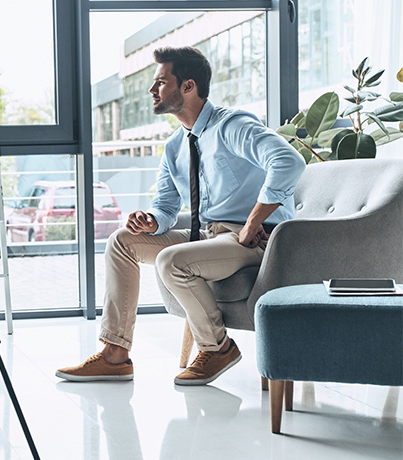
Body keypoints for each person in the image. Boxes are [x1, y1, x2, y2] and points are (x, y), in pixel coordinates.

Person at [56, 47, 305, 385]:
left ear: (188, 86)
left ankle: (217, 348)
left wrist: (253, 223)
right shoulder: (175, 145)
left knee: (173, 261)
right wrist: (151, 221)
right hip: (207, 235)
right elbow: (166, 206)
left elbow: (288, 162)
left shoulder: (233, 124)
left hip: (257, 239)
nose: (151, 90)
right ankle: (115, 356)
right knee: (121, 241)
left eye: (160, 82)